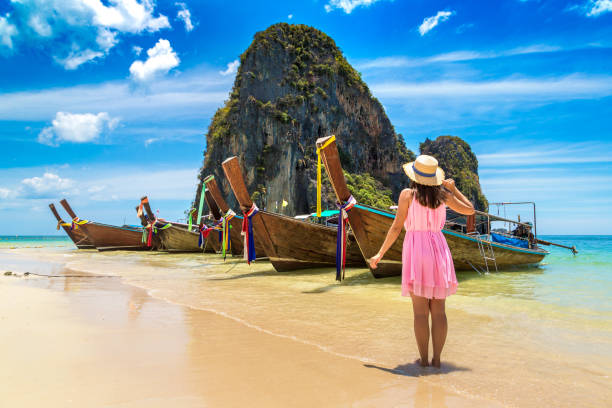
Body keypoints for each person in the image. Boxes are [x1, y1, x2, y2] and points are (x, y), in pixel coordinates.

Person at [369, 155, 475, 368]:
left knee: (419, 312)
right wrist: (454, 189)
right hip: (438, 249)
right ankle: (437, 361)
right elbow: (470, 209)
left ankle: (424, 361)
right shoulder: (443, 195)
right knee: (439, 310)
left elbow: (397, 227)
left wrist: (379, 254)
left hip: (417, 250)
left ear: (415, 176)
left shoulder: (407, 195)